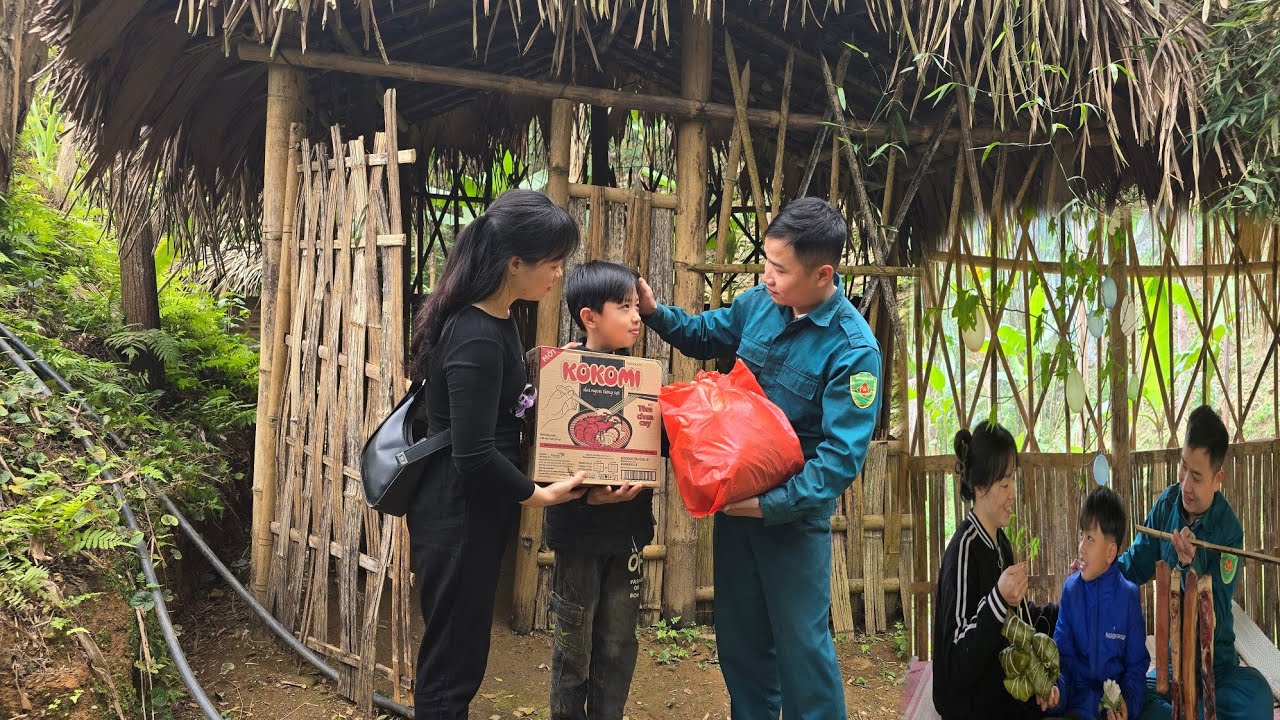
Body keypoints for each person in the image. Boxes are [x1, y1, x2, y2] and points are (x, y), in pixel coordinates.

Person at [636, 197, 881, 719]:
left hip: (792, 522)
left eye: (780, 269)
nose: (767, 276)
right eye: (766, 263)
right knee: (741, 647)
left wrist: (769, 506)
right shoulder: (759, 304)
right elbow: (705, 333)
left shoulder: (853, 350)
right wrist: (656, 313)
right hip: (735, 512)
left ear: (823, 274)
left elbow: (840, 459)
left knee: (803, 653)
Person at [406, 189, 589, 719]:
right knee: (452, 660)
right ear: (515, 263)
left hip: (472, 509)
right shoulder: (478, 337)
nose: (558, 274)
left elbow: (496, 397)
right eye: (552, 262)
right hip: (458, 512)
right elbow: (474, 455)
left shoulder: (497, 317)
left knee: (461, 648)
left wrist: (542, 366)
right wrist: (538, 495)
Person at [543, 260, 656, 720]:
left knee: (618, 643)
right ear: (589, 317)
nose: (636, 317)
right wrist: (587, 497)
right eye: (623, 307)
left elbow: (653, 449)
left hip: (627, 533)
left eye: (636, 307)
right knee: (573, 645)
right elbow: (541, 460)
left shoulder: (645, 383)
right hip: (578, 535)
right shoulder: (558, 376)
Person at [1116, 405, 1271, 720]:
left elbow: (1215, 613)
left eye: (1197, 476)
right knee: (1128, 696)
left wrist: (1192, 568)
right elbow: (1133, 566)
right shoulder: (1166, 506)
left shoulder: (1229, 531)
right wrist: (1100, 570)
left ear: (1217, 479)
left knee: (1257, 698)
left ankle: (1187, 713)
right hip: (1171, 668)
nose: (1185, 484)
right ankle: (1192, 713)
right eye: (1183, 467)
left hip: (1217, 669)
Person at [933, 420, 1058, 719]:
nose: (1012, 493)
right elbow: (955, 664)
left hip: (996, 688)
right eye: (1004, 484)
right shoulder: (964, 551)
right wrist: (999, 599)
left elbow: (1015, 622)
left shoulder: (1000, 543)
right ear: (979, 487)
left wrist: (1065, 608)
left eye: (1012, 481)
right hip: (969, 706)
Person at [1050, 486, 1149, 720]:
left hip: (1111, 711)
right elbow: (1062, 662)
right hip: (1076, 708)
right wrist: (1056, 692)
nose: (1081, 548)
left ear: (1110, 553)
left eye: (1090, 539)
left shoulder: (1128, 598)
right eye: (1082, 536)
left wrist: (1127, 705)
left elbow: (1136, 668)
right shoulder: (1071, 591)